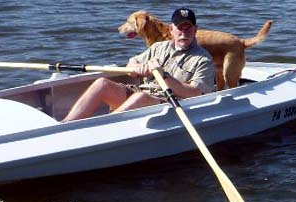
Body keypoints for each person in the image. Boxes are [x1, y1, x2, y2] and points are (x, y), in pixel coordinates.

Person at [63, 8, 215, 122]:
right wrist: (135, 67)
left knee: (140, 97)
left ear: (195, 30)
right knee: (102, 84)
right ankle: (66, 124)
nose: (184, 33)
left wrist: (164, 76)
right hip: (141, 92)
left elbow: (196, 93)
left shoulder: (203, 59)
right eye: (180, 28)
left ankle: (102, 128)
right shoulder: (158, 47)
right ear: (171, 29)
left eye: (188, 29)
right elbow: (132, 63)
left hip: (168, 103)